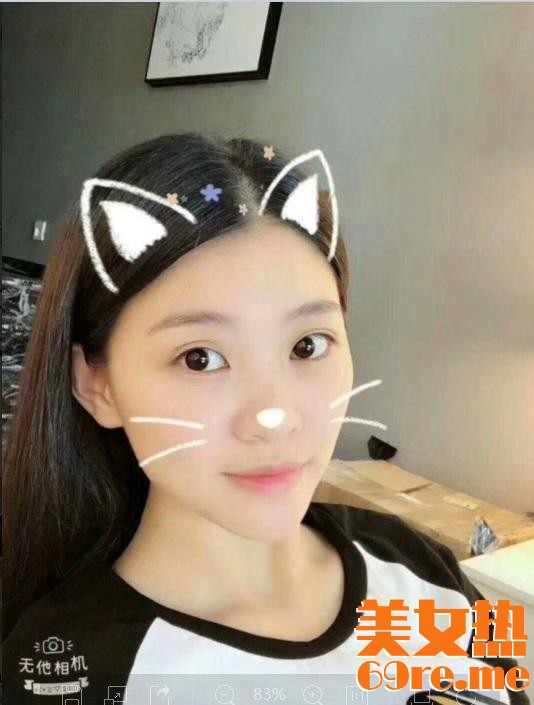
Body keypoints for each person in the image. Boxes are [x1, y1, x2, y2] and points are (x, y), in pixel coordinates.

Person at [2, 132, 529, 705]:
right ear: (96, 385)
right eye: (200, 358)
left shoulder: (414, 563)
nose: (275, 418)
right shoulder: (67, 673)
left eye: (307, 345)